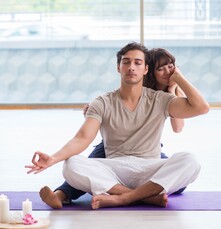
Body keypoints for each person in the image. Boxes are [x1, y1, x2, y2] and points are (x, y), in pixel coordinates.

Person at [25, 42, 210, 210]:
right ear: (118, 67)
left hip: (149, 165)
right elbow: (82, 138)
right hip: (115, 166)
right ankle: (144, 197)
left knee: (190, 161)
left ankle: (123, 198)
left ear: (146, 69)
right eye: (126, 62)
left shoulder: (162, 99)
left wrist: (178, 77)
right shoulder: (101, 102)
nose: (131, 67)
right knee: (71, 164)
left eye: (138, 63)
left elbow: (201, 107)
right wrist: (53, 158)